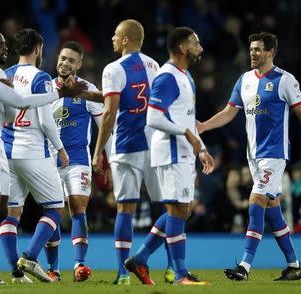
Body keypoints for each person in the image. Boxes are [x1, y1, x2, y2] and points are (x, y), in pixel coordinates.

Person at [0, 27, 85, 286]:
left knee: (3, 210)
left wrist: (12, 95)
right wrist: (61, 94)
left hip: (1, 144)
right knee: (38, 205)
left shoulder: (2, 73)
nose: (4, 48)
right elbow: (27, 106)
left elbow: (9, 114)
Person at [197, 32, 301, 281]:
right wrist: (204, 127)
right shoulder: (244, 80)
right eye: (251, 49)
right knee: (273, 211)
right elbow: (229, 112)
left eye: (258, 50)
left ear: (271, 52)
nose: (252, 53)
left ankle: (244, 266)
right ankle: (294, 265)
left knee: (255, 203)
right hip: (252, 156)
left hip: (274, 154)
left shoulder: (285, 80)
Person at [125, 27, 214, 286]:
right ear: (182, 48)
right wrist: (187, 134)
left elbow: (187, 121)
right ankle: (180, 274)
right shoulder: (166, 77)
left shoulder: (185, 76)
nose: (201, 48)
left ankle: (141, 258)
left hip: (184, 151)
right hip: (171, 151)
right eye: (196, 43)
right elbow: (153, 117)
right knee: (178, 209)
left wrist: (202, 147)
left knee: (179, 210)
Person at [92, 19, 172, 285]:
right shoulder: (156, 66)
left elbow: (110, 111)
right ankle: (171, 267)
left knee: (125, 208)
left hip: (127, 144)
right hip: (155, 143)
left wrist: (97, 152)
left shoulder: (113, 68)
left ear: (126, 40)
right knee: (168, 207)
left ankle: (123, 273)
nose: (113, 39)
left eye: (116, 35)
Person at [0, 28, 67, 284]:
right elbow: (47, 121)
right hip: (33, 152)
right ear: (38, 48)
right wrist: (60, 148)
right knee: (55, 207)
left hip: (7, 150)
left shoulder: (5, 75)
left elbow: (2, 114)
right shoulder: (41, 78)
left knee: (12, 213)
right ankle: (29, 257)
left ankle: (16, 275)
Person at [46, 41, 111, 282]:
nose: (65, 63)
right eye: (63, 58)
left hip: (78, 160)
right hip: (48, 163)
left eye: (71, 60)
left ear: (79, 64)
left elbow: (104, 126)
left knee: (78, 207)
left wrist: (108, 158)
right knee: (51, 211)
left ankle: (79, 265)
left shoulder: (87, 89)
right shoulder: (45, 88)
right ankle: (53, 269)